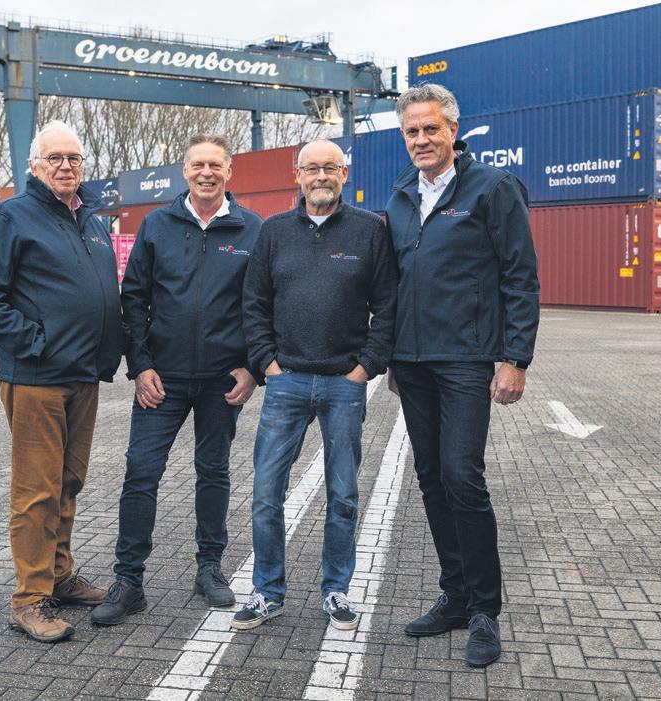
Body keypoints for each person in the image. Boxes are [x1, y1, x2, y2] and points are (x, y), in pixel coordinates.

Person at [384, 83, 540, 667]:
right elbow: (395, 280)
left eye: (431, 128)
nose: (421, 139)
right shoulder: (402, 194)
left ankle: (484, 611)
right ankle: (454, 596)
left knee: (461, 475)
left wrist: (515, 359)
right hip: (412, 362)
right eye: (412, 131)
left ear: (453, 129)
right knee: (430, 476)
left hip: (466, 359)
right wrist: (392, 357)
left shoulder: (493, 189)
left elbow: (520, 277)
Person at [91, 134, 263, 626]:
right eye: (197, 165)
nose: (206, 172)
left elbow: (261, 303)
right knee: (141, 472)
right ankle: (129, 581)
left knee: (214, 471)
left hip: (221, 381)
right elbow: (134, 298)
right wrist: (141, 365)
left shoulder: (252, 229)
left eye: (215, 165)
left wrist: (252, 367)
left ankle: (209, 568)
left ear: (229, 171)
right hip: (161, 379)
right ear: (184, 171)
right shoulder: (157, 225)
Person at [0, 121, 124, 643]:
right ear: (34, 165)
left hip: (83, 375)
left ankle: (59, 575)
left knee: (68, 481)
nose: (65, 166)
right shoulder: (12, 216)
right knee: (36, 490)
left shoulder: (90, 220)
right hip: (37, 377)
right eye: (54, 158)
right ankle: (29, 598)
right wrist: (37, 343)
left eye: (73, 158)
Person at [234, 139, 396, 632]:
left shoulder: (370, 231)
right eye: (312, 168)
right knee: (266, 493)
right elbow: (253, 303)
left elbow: (388, 306)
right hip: (285, 382)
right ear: (297, 174)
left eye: (330, 167)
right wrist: (268, 365)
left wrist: (365, 367)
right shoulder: (273, 232)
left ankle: (336, 590)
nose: (321, 176)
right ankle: (268, 592)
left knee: (343, 494)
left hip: (344, 384)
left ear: (344, 174)